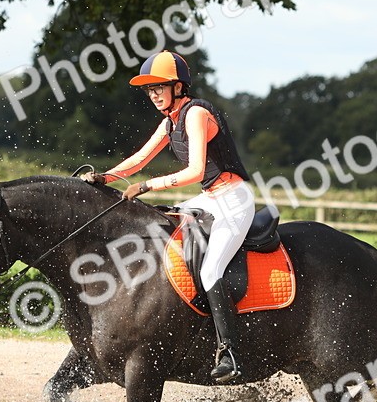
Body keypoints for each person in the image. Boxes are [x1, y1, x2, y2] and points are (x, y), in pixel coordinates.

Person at [82, 50, 255, 383]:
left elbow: (196, 170)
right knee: (158, 231)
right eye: (150, 90)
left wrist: (146, 186)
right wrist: (106, 177)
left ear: (179, 86)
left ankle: (231, 353)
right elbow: (139, 159)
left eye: (160, 87)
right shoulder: (169, 121)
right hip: (209, 199)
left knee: (210, 269)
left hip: (234, 200)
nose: (154, 94)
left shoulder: (196, 113)